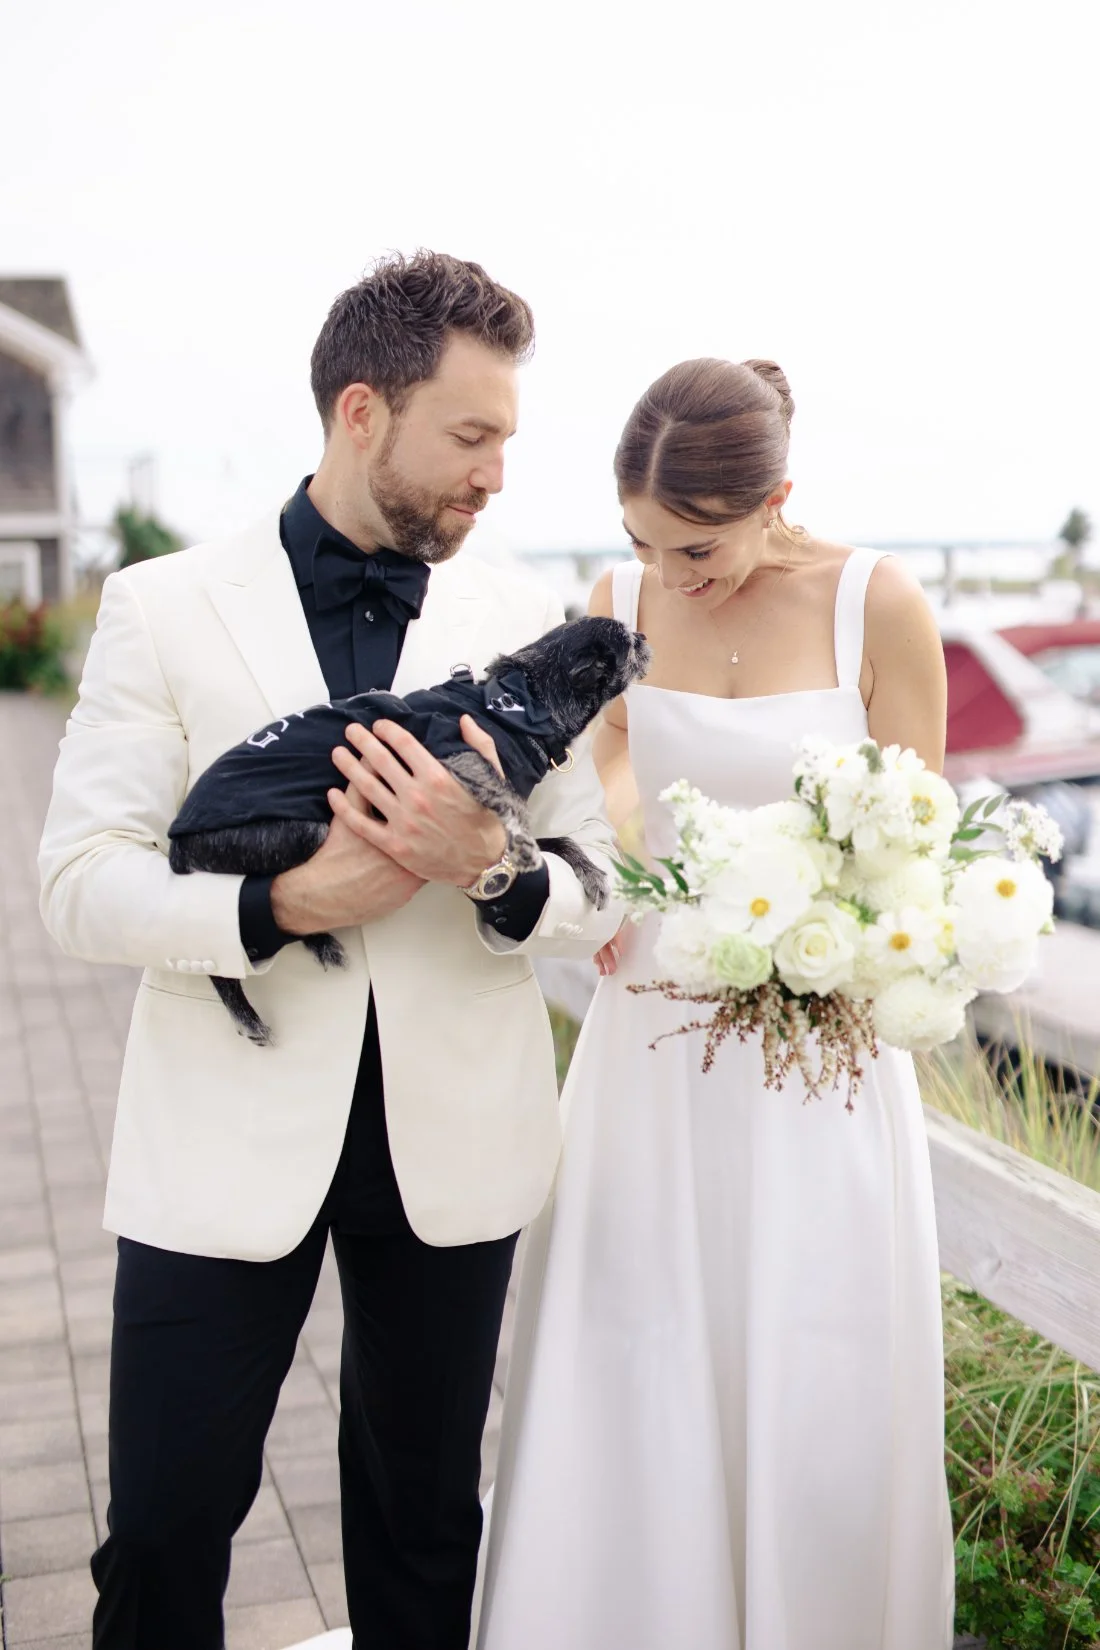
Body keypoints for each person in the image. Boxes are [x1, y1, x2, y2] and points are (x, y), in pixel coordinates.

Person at [37, 250, 620, 1650]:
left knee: (427, 1533)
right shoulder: (164, 605)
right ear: (363, 411)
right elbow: (76, 882)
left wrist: (486, 864)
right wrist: (280, 905)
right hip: (220, 1143)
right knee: (166, 1536)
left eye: (507, 442)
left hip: (457, 1146)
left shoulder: (524, 618)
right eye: (470, 436)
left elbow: (601, 888)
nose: (495, 476)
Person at [475, 358, 955, 1650]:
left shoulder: (877, 603)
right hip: (650, 1035)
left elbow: (921, 833)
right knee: (634, 1331)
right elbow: (610, 755)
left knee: (818, 1346)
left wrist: (820, 925)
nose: (669, 577)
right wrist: (640, 867)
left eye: (698, 548)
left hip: (821, 1042)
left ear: (779, 498)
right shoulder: (618, 596)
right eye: (642, 542)